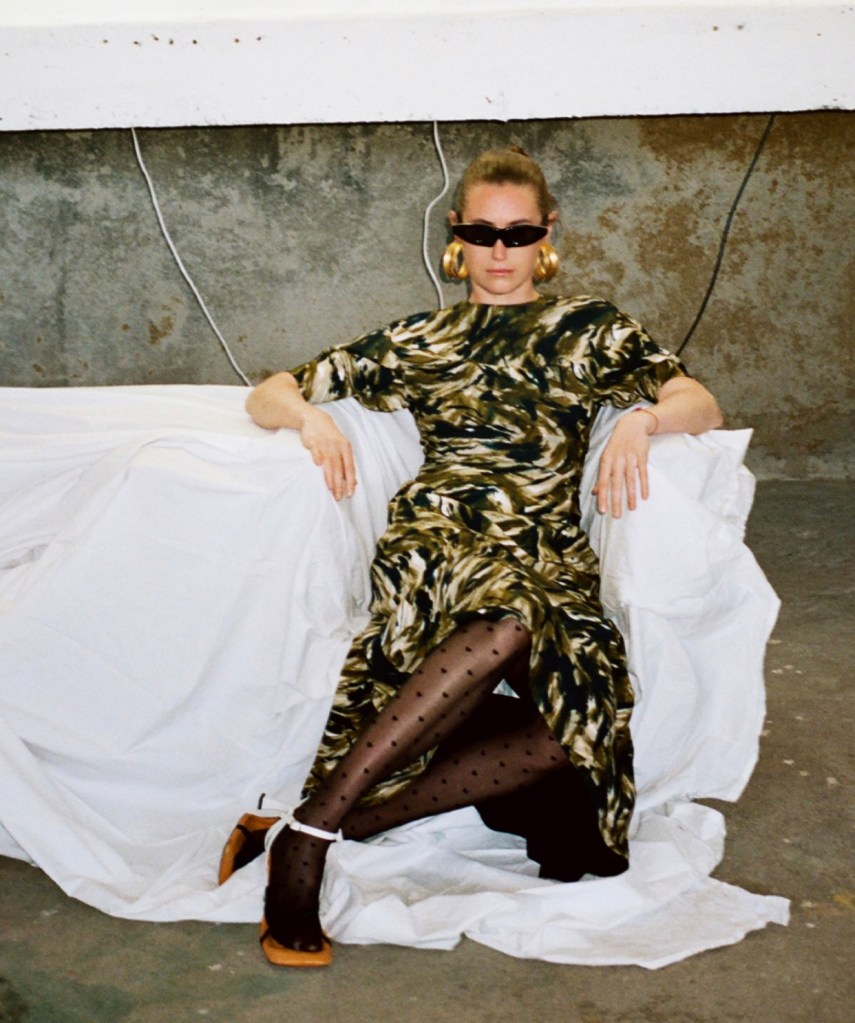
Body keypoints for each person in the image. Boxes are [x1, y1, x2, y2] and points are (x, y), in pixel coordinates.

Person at [219, 147, 723, 967]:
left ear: (546, 233)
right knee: (509, 613)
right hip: (440, 540)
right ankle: (305, 846)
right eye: (481, 233)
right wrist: (309, 418)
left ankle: (312, 821)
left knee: (569, 733)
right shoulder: (422, 337)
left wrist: (642, 420)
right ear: (455, 234)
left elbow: (697, 399)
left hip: (546, 551)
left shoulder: (590, 328)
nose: (498, 251)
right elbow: (270, 390)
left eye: (517, 233)